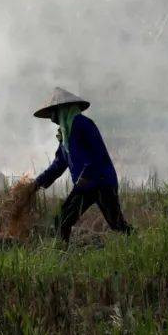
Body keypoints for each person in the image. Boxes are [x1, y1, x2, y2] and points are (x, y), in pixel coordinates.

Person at [32, 87, 132, 242]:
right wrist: (37, 183)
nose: (52, 118)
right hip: (84, 186)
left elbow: (97, 154)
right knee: (63, 220)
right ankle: (62, 251)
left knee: (116, 223)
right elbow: (59, 164)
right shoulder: (65, 135)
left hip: (101, 181)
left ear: (63, 110)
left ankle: (137, 241)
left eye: (54, 112)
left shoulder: (83, 124)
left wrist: (85, 175)